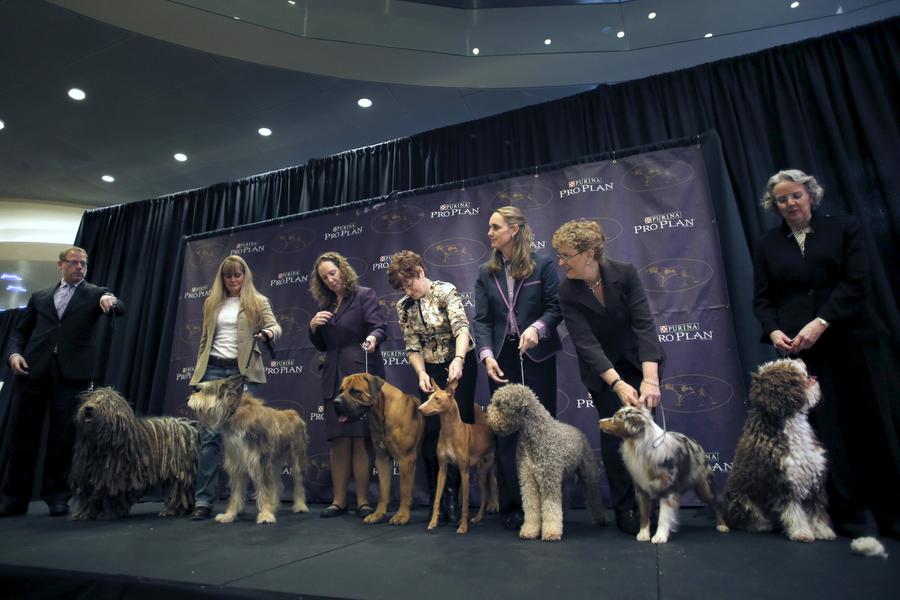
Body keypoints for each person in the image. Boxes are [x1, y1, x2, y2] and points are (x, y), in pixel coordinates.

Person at [752, 169, 900, 539]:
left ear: (810, 196)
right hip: (805, 353)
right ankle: (843, 512)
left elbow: (856, 282)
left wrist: (821, 322)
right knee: (825, 431)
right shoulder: (769, 244)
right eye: (782, 199)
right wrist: (773, 329)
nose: (789, 204)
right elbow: (763, 297)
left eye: (796, 196)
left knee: (871, 425)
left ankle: (890, 512)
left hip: (853, 341)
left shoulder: (844, 228)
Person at [551, 219, 664, 535]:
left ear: (589, 254)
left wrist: (650, 379)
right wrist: (616, 383)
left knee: (649, 437)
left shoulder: (624, 273)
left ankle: (656, 503)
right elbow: (585, 342)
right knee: (615, 438)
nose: (561, 262)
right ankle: (626, 508)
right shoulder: (566, 290)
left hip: (639, 364)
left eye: (566, 255)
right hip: (603, 374)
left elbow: (643, 324)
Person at [1, 246, 124, 517]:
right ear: (61, 265)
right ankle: (14, 497)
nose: (80, 267)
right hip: (33, 370)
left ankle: (57, 495)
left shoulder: (94, 293)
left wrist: (110, 301)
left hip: (71, 374)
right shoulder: (40, 297)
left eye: (84, 264)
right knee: (23, 435)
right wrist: (13, 354)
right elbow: (19, 333)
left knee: (63, 436)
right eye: (74, 262)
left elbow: (116, 303)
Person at [473, 206, 562, 530]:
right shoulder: (487, 272)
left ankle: (550, 504)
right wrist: (486, 355)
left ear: (514, 230)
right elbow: (482, 320)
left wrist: (537, 328)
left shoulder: (544, 265)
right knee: (506, 432)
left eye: (495, 227)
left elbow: (555, 308)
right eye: (489, 227)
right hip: (503, 356)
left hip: (537, 353)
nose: (490, 232)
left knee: (541, 432)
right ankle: (513, 504)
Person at [188, 255, 281, 520]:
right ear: (222, 278)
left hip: (241, 374)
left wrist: (269, 333)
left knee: (246, 441)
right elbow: (205, 341)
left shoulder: (257, 301)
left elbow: (275, 325)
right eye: (229, 276)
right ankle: (203, 501)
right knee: (210, 438)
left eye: (238, 275)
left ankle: (257, 504)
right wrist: (199, 376)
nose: (233, 280)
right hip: (213, 372)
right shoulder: (212, 302)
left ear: (245, 275)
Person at [387, 250, 476, 526]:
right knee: (433, 434)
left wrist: (459, 361)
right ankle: (439, 500)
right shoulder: (404, 306)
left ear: (420, 273)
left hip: (460, 362)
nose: (406, 290)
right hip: (432, 369)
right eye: (401, 287)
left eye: (408, 283)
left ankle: (455, 497)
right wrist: (421, 372)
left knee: (459, 432)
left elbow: (461, 328)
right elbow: (412, 345)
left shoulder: (445, 291)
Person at [309, 252, 386, 519]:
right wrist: (313, 327)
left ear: (343, 269)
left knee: (360, 439)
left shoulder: (364, 294)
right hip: (333, 376)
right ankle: (338, 500)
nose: (330, 280)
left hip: (360, 374)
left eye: (333, 273)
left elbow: (379, 327)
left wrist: (373, 338)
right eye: (324, 277)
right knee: (338, 441)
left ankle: (364, 501)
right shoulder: (326, 304)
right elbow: (322, 345)